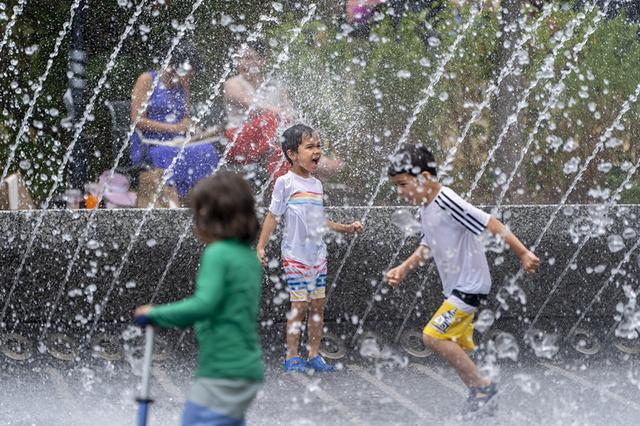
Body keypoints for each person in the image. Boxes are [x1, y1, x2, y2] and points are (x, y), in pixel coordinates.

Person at [385, 144, 540, 417]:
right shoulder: (427, 208)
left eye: (403, 184)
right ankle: (480, 393)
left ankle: (483, 386)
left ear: (423, 177)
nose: (401, 192)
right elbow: (428, 246)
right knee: (445, 341)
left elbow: (490, 222)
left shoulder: (447, 200)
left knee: (431, 336)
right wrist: (404, 268)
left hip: (470, 287)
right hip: (457, 289)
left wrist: (523, 253)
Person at [133, 172, 263, 425]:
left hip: (222, 370)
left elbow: (205, 304)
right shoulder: (247, 258)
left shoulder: (218, 253)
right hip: (247, 368)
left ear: (208, 217)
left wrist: (154, 314)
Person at [256, 124, 363, 372]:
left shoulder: (316, 184)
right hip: (295, 256)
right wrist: (261, 246)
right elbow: (273, 215)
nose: (317, 152)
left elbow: (319, 221)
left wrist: (347, 228)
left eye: (318, 146)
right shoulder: (285, 183)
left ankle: (314, 354)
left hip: (317, 256)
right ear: (292, 154)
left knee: (317, 306)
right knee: (299, 305)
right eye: (309, 147)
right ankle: (292, 356)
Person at [130, 43, 218, 205]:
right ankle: (172, 203)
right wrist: (173, 128)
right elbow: (137, 119)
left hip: (176, 141)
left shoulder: (182, 84)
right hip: (150, 143)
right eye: (187, 72)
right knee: (166, 154)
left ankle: (204, 202)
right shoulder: (147, 80)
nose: (188, 77)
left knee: (207, 150)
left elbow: (184, 116)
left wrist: (191, 126)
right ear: (173, 67)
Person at [224, 46, 292, 184]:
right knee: (270, 119)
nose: (242, 63)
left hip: (271, 143)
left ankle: (283, 193)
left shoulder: (276, 85)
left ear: (262, 61)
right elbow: (251, 105)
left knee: (284, 149)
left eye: (248, 58)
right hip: (239, 141)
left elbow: (290, 112)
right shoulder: (232, 84)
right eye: (239, 59)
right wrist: (276, 112)